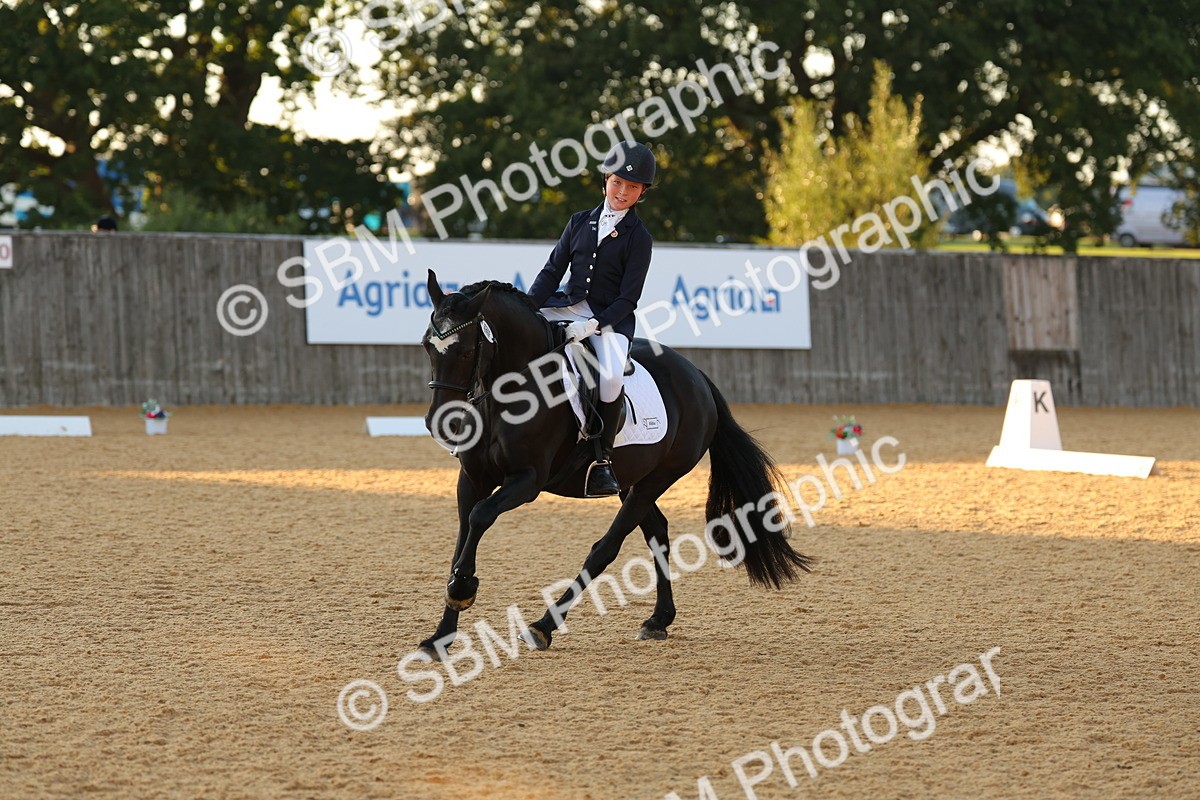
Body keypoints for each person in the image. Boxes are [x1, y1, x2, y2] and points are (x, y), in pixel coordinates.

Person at [526, 140, 656, 497]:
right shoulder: (580, 221)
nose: (622, 191)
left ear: (641, 192)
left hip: (609, 319)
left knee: (612, 377)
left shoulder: (639, 238)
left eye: (632, 187)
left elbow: (628, 298)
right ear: (605, 180)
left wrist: (594, 326)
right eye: (617, 182)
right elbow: (552, 271)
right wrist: (528, 305)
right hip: (567, 304)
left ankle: (602, 460)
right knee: (517, 333)